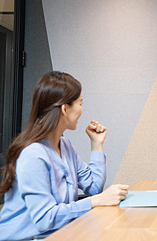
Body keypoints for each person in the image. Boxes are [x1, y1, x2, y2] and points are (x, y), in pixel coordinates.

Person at [0, 71, 129, 240]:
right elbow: (45, 219)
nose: (82, 110)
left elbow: (94, 187)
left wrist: (97, 144)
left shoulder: (65, 145)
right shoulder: (32, 155)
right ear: (65, 108)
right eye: (80, 103)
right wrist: (95, 201)